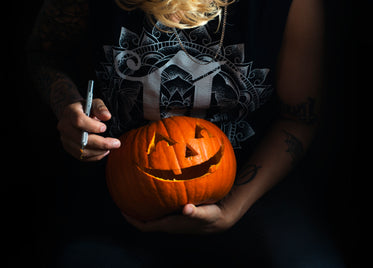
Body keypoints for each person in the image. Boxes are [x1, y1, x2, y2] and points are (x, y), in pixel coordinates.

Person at [28, 0, 345, 266]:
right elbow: (44, 55)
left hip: (256, 189)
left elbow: (298, 117)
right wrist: (68, 105)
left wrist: (231, 208)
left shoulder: (293, 5)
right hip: (116, 196)